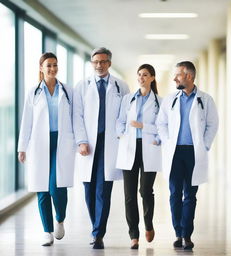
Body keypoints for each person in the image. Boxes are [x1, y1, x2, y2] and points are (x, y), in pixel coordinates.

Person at [156, 61, 218, 250]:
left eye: (178, 75)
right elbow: (161, 123)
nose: (174, 78)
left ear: (189, 76)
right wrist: (167, 142)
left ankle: (187, 235)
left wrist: (204, 145)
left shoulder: (205, 100)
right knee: (175, 193)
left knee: (190, 195)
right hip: (174, 152)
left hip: (193, 153)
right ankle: (178, 232)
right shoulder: (170, 99)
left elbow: (212, 124)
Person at [73, 47, 129, 249]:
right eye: (96, 62)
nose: (99, 65)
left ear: (109, 63)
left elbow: (126, 114)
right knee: (89, 189)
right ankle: (95, 226)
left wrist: (124, 137)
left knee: (103, 190)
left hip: (110, 143)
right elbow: (77, 116)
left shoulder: (121, 86)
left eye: (103, 62)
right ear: (91, 63)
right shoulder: (82, 86)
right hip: (88, 144)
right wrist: (80, 140)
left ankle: (98, 233)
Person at [18, 52, 75, 246]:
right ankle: (47, 231)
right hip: (39, 143)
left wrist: (80, 140)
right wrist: (22, 147)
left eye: (55, 65)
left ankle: (60, 218)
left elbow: (76, 117)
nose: (52, 68)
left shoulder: (67, 91)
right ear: (41, 68)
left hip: (61, 141)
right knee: (42, 188)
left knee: (57, 185)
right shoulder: (33, 92)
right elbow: (27, 121)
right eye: (48, 65)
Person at [116, 64, 162, 249]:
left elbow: (162, 127)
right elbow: (120, 121)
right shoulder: (128, 99)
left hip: (148, 148)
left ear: (152, 78)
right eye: (139, 75)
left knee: (145, 191)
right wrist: (121, 133)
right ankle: (133, 235)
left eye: (145, 75)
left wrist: (144, 126)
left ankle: (148, 224)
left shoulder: (160, 101)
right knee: (129, 195)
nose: (141, 78)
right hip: (129, 147)